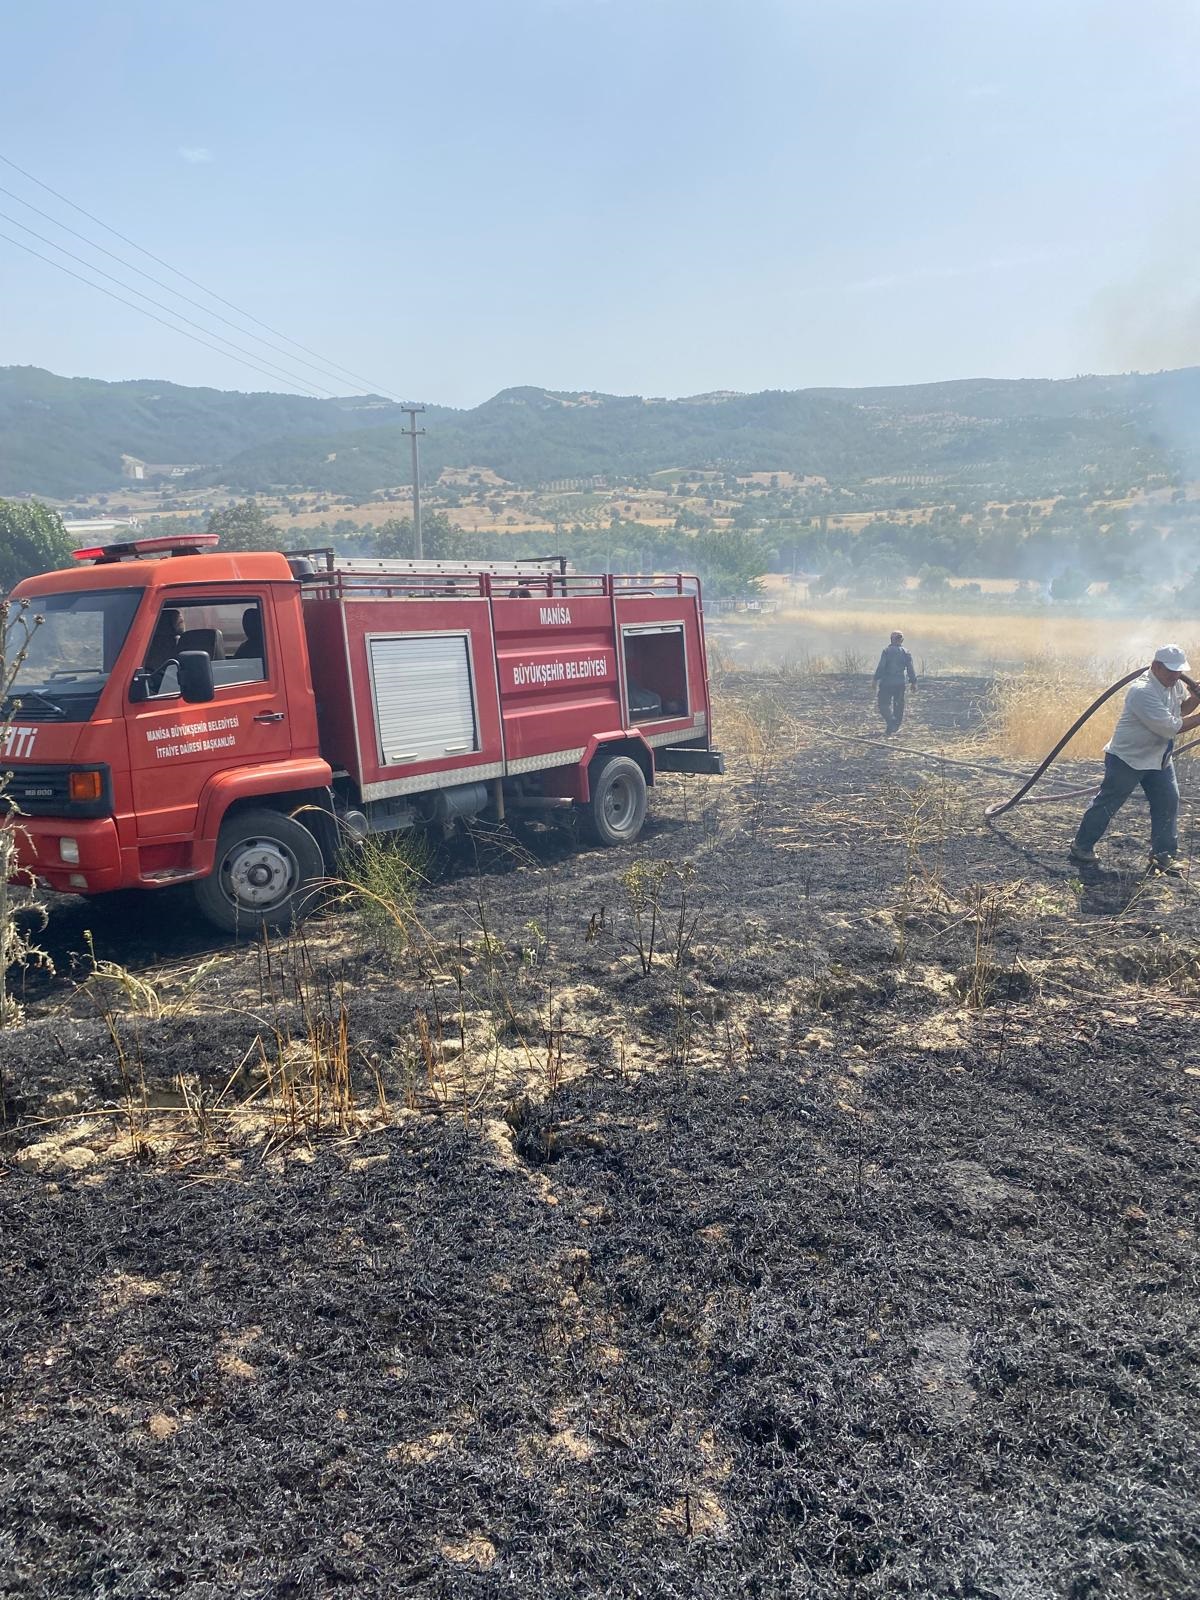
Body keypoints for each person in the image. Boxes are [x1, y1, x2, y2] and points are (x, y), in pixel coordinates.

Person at [1069, 644, 1200, 876]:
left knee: (1168, 802)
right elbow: (1170, 727)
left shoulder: (1174, 684)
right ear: (1156, 666)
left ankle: (1163, 855)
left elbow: (1180, 711)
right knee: (1108, 803)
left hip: (1158, 759)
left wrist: (1195, 698)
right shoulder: (1142, 691)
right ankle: (1081, 847)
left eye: (1179, 671)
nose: (1176, 675)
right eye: (1171, 670)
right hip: (1128, 759)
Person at [872, 630, 917, 734]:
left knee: (883, 704)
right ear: (902, 640)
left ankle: (891, 721)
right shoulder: (906, 652)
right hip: (900, 683)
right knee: (899, 705)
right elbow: (910, 668)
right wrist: (913, 682)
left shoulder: (886, 651)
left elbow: (881, 667)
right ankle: (894, 725)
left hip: (886, 683)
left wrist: (875, 679)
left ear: (891, 639)